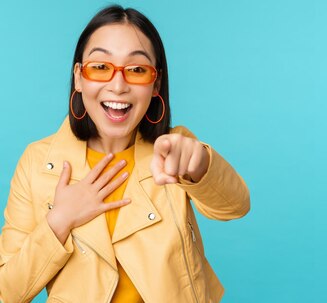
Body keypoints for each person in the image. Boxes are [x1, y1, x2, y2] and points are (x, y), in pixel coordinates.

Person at [0, 5, 250, 303]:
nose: (118, 86)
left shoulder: (175, 149)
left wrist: (200, 165)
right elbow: (8, 292)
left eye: (137, 70)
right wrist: (59, 220)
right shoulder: (37, 162)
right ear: (79, 77)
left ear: (156, 83)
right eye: (100, 67)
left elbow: (235, 206)